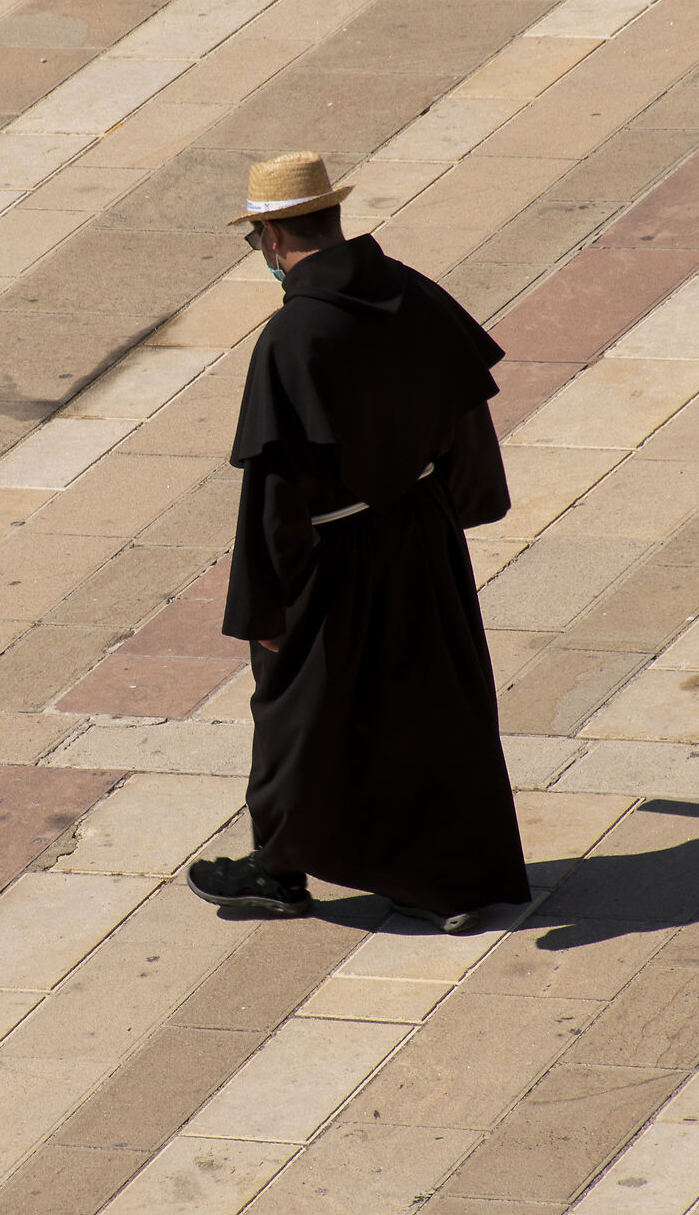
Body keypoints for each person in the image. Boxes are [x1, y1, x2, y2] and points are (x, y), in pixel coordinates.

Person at [185, 151, 531, 933]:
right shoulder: (411, 291)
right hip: (419, 529)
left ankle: (278, 870)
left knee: (296, 714)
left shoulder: (292, 336)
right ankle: (450, 877)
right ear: (333, 220)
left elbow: (274, 487)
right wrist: (460, 510)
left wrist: (264, 606)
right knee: (431, 703)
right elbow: (465, 412)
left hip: (331, 556)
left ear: (272, 235)